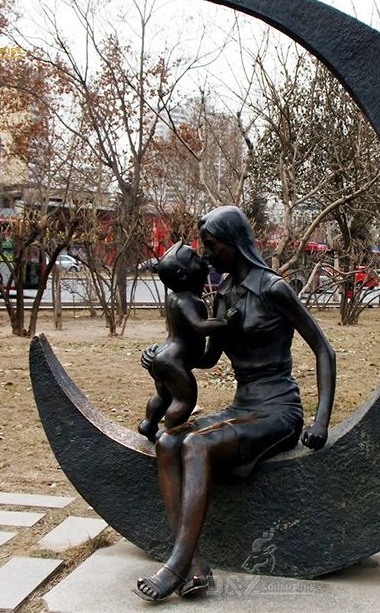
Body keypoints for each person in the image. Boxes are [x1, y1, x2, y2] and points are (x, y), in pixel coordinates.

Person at [135, 206, 336, 601]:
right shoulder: (224, 294)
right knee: (168, 441)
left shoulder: (274, 288)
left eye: (210, 245)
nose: (205, 254)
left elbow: (323, 350)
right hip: (241, 406)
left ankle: (176, 564)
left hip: (278, 410)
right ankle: (194, 565)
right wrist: (162, 360)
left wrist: (320, 421)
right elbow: (208, 359)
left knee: (196, 444)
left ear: (234, 243)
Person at [138, 241, 238, 442]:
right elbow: (198, 326)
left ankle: (148, 424)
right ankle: (171, 436)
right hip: (174, 362)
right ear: (183, 275)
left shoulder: (175, 298)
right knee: (185, 399)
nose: (201, 257)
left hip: (165, 357)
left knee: (164, 396)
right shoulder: (187, 300)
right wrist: (225, 322)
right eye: (193, 258)